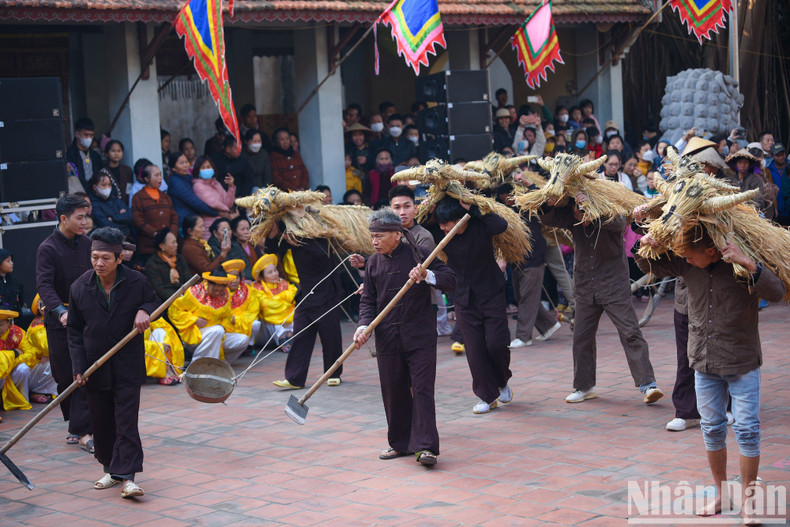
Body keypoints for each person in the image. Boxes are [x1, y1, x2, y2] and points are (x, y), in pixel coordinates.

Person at [635, 224, 784, 523]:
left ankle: (748, 501)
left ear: (711, 252)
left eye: (691, 257)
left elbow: (777, 292)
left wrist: (749, 263)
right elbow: (649, 264)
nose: (686, 261)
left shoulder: (741, 266)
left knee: (747, 431)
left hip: (741, 359)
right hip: (703, 359)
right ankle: (721, 494)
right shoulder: (686, 262)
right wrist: (645, 243)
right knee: (712, 428)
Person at [353, 208, 455, 466]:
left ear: (397, 235)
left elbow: (449, 279)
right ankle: (400, 444)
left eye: (379, 236)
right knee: (393, 390)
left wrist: (427, 275)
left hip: (419, 335)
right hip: (387, 338)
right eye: (372, 236)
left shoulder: (419, 255)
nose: (374, 241)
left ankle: (426, 448)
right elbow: (368, 301)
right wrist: (363, 326)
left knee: (421, 390)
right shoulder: (373, 263)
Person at [540, 192, 663, 405]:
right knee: (581, 338)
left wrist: (593, 211)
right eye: (575, 210)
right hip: (585, 286)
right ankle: (584, 386)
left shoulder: (610, 211)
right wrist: (548, 204)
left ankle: (648, 385)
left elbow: (618, 223)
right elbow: (549, 218)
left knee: (630, 333)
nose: (579, 215)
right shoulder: (571, 216)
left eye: (582, 210)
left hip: (613, 284)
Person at [67, 227, 158, 499]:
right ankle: (112, 469)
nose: (99, 263)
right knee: (102, 423)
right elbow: (73, 331)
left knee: (126, 421)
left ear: (120, 258)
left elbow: (153, 301)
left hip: (127, 364)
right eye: (95, 257)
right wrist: (78, 367)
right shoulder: (79, 287)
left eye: (106, 258)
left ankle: (128, 478)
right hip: (95, 367)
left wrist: (144, 311)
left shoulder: (137, 282)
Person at [433, 198, 513, 414]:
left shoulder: (480, 225)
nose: (442, 228)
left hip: (491, 292)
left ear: (460, 220)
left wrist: (474, 208)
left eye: (446, 224)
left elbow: (501, 225)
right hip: (463, 296)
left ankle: (502, 381)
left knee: (496, 343)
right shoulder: (442, 233)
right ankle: (486, 396)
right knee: (474, 349)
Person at [35, 194, 94, 452]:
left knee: (83, 372)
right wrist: (60, 310)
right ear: (63, 218)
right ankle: (75, 424)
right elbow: (44, 285)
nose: (84, 222)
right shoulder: (47, 248)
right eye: (79, 217)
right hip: (60, 320)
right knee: (64, 374)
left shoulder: (88, 243)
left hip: (86, 319)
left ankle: (82, 429)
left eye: (85, 217)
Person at [266, 220, 343, 389]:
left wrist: (298, 239)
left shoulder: (320, 231)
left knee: (330, 335)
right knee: (300, 335)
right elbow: (270, 249)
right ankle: (294, 378)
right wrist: (273, 231)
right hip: (305, 293)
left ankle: (333, 373)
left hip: (326, 291)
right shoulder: (290, 235)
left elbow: (321, 255)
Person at [497, 184, 560, 349]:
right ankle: (549, 325)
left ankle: (524, 337)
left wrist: (525, 182)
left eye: (509, 198)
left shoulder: (528, 204)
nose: (508, 202)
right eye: (505, 200)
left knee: (527, 297)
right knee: (522, 296)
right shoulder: (504, 211)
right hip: (517, 260)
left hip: (533, 258)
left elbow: (540, 194)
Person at [389, 185, 451, 335]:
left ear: (416, 209)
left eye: (407, 206)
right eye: (397, 207)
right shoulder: (386, 236)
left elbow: (415, 269)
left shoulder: (423, 236)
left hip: (420, 303)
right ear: (390, 210)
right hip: (393, 303)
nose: (402, 212)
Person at [167, 268, 248, 363]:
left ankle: (220, 364)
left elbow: (226, 316)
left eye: (220, 291)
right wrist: (194, 320)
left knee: (243, 339)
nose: (218, 293)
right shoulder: (194, 293)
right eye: (215, 290)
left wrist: (226, 323)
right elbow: (174, 311)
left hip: (217, 334)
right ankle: (199, 365)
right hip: (195, 335)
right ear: (208, 283)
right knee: (217, 330)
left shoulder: (226, 294)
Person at [131, 163, 178, 264]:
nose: (160, 178)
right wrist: (156, 234)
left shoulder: (165, 197)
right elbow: (138, 221)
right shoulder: (138, 197)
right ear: (146, 179)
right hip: (148, 247)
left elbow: (174, 217)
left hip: (168, 245)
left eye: (160, 175)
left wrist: (171, 234)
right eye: (156, 175)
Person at [18, 296, 59, 403]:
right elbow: (48, 347)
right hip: (34, 365)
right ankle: (38, 390)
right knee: (56, 362)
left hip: (43, 362)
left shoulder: (50, 321)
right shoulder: (37, 326)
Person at [252, 254, 296, 350]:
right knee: (273, 313)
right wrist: (284, 303)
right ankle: (281, 337)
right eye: (270, 272)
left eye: (275, 270)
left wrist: (277, 300)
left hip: (284, 318)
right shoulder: (257, 287)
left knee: (292, 310)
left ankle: (289, 335)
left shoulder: (282, 282)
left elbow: (293, 295)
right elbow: (266, 305)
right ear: (262, 277)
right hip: (266, 329)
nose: (275, 274)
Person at [192, 156, 237, 239]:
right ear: (197, 170)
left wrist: (231, 187)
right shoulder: (197, 185)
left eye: (208, 167)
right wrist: (228, 212)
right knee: (214, 249)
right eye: (203, 168)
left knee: (225, 246)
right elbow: (213, 203)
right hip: (209, 226)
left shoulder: (216, 183)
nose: (206, 169)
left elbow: (228, 203)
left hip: (224, 224)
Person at [168, 154, 216, 227]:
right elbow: (194, 201)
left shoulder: (190, 178)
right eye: (181, 163)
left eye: (186, 162)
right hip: (185, 222)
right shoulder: (175, 182)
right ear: (173, 168)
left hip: (196, 220)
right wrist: (217, 212)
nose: (185, 165)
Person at [145, 228, 192, 302]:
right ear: (161, 246)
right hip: (166, 301)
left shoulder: (180, 258)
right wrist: (179, 298)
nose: (176, 245)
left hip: (185, 296)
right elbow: (160, 290)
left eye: (176, 242)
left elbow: (188, 278)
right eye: (173, 243)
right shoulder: (153, 263)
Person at [222, 259, 261, 347]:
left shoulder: (247, 290)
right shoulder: (219, 292)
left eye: (237, 277)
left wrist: (236, 319)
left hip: (243, 322)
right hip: (225, 326)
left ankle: (249, 345)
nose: (235, 280)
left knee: (256, 324)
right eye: (230, 277)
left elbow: (252, 312)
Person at [0, 310, 33, 413]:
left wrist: (11, 363)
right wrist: (13, 354)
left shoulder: (18, 333)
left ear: (8, 323)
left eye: (0, 325)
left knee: (24, 368)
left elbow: (30, 354)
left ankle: (23, 399)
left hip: (12, 372)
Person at [88, 169, 133, 236]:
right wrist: (121, 219)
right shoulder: (94, 204)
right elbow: (105, 225)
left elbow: (130, 216)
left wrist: (113, 217)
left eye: (109, 185)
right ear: (95, 187)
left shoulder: (115, 200)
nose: (107, 188)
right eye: (103, 185)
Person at [143, 317, 183, 386]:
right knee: (158, 345)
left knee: (160, 331)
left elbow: (163, 325)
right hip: (138, 352)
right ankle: (164, 372)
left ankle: (167, 370)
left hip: (148, 349)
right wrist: (158, 346)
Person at [66, 117, 103, 190]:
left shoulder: (96, 155)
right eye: (86, 135)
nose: (89, 138)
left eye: (91, 135)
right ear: (77, 134)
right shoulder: (69, 154)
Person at [768, 144, 788, 224]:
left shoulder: (789, 166)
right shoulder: (769, 170)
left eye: (782, 154)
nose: (781, 157)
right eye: (777, 155)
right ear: (772, 156)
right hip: (778, 210)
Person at [0, 249, 24, 313]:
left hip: (15, 319)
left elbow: (21, 302)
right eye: (8, 261)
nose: (12, 263)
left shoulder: (17, 282)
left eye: (11, 260)